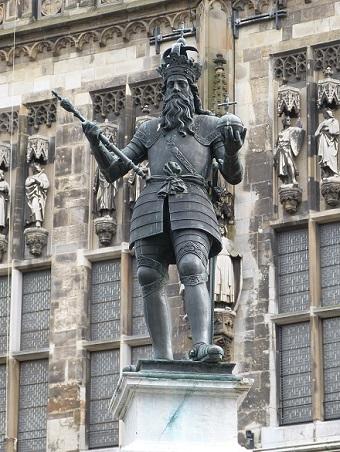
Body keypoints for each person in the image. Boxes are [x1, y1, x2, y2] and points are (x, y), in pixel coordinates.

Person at [82, 38, 246, 362]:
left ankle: (201, 344)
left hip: (193, 202)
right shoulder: (148, 131)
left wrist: (233, 148)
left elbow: (233, 174)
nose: (175, 90)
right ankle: (161, 353)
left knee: (191, 264)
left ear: (192, 88)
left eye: (181, 83)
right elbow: (116, 168)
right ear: (163, 90)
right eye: (170, 84)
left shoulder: (211, 126)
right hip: (151, 205)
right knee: (147, 275)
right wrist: (96, 142)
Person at [274, 116, 305, 185]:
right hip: (280, 150)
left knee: (289, 163)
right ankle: (285, 180)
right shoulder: (281, 132)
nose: (289, 121)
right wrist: (275, 152)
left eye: (289, 120)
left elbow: (300, 131)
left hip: (287, 149)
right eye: (287, 120)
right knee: (282, 166)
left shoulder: (291, 129)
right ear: (284, 122)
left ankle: (293, 179)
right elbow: (276, 143)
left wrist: (299, 125)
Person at [315, 109, 340, 179]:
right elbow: (316, 134)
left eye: (325, 113)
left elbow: (337, 131)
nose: (324, 115)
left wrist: (327, 129)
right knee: (324, 158)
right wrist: (320, 132)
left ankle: (334, 172)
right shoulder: (322, 123)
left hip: (331, 142)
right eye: (324, 113)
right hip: (323, 140)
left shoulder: (334, 121)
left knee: (331, 156)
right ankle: (326, 173)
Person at [25, 161, 49, 227]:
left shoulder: (42, 175)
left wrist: (38, 181)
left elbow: (46, 185)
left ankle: (38, 221)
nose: (39, 167)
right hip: (30, 196)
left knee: (36, 205)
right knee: (32, 207)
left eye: (39, 166)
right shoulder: (30, 178)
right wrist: (33, 180)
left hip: (38, 195)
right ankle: (31, 221)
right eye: (37, 166)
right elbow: (26, 184)